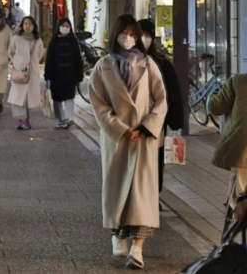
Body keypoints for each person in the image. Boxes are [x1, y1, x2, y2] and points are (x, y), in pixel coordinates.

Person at [89, 14, 167, 270]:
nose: (130, 37)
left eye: (133, 33)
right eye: (124, 32)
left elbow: (160, 100)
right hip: (118, 141)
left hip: (144, 140)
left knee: (143, 194)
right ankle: (117, 236)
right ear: (115, 35)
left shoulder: (149, 64)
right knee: (117, 189)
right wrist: (120, 129)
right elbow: (98, 104)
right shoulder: (103, 66)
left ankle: (138, 247)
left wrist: (147, 127)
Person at [137, 19, 184, 192]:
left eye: (147, 35)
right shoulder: (126, 62)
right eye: (140, 34)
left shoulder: (162, 63)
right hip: (133, 122)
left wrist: (175, 123)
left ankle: (153, 195)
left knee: (155, 159)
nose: (143, 38)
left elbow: (174, 94)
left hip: (157, 122)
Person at [209, 72, 247, 209]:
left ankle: (239, 213)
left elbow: (215, 108)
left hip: (242, 147)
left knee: (239, 197)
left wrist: (213, 96)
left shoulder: (238, 81)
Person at [44, 16, 84, 129]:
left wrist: (79, 75)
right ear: (59, 27)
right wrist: (48, 77)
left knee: (69, 97)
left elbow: (78, 59)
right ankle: (59, 120)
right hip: (56, 76)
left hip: (70, 75)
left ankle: (68, 118)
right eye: (63, 26)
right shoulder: (54, 42)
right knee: (57, 99)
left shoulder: (73, 41)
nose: (65, 28)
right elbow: (49, 61)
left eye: (67, 26)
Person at [8, 15, 44, 130]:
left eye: (30, 24)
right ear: (22, 25)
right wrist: (16, 62)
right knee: (18, 97)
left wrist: (33, 64)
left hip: (32, 72)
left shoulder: (37, 40)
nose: (27, 26)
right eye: (25, 24)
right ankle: (20, 119)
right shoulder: (16, 38)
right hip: (19, 71)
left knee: (28, 97)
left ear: (34, 26)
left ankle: (27, 119)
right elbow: (11, 52)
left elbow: (39, 54)